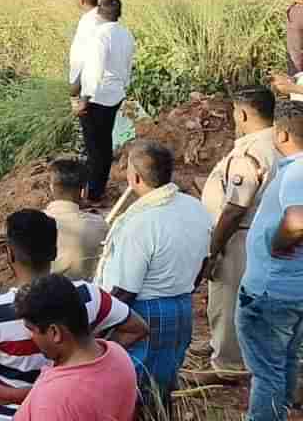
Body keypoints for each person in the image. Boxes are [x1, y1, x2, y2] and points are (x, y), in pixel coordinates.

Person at [0, 210, 147, 421]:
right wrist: (95, 360)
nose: (29, 335)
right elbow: (137, 328)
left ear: (10, 254)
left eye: (31, 330)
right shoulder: (89, 297)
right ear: (55, 251)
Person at [96, 141, 211, 412]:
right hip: (182, 307)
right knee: (163, 386)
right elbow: (206, 261)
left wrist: (97, 326)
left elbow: (125, 290)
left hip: (144, 313)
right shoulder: (195, 207)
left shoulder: (140, 223)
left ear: (134, 177)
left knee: (136, 389)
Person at [0, 274, 139, 421]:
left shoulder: (54, 401)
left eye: (32, 330)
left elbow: (62, 399)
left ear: (54, 332)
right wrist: (13, 395)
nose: (31, 337)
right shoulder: (117, 355)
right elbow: (82, 393)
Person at [197, 86, 279, 378]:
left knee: (228, 296)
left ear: (242, 113)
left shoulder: (251, 151)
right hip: (268, 233)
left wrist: (214, 247)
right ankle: (227, 346)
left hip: (239, 235)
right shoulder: (282, 141)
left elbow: (234, 208)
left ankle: (228, 364)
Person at [238, 101, 303, 421]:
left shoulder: (299, 171)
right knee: (285, 360)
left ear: (283, 134)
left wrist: (278, 243)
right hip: (293, 289)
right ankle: (282, 412)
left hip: (272, 290)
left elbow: (297, 220)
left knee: (266, 371)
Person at [75, 0, 134, 204]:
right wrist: (123, 87)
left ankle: (91, 193)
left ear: (100, 11)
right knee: (104, 142)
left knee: (93, 146)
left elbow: (95, 69)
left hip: (98, 96)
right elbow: (128, 65)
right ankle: (97, 189)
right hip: (115, 94)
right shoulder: (126, 34)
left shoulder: (100, 35)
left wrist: (85, 98)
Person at [45, 158, 108, 280]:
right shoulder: (100, 225)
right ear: (84, 191)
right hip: (87, 295)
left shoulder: (34, 225)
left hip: (45, 295)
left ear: (52, 188)